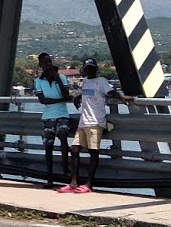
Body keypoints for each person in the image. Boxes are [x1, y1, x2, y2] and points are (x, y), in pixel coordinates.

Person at [60, 58, 135, 193]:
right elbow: (85, 95)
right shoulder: (85, 82)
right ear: (84, 69)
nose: (90, 70)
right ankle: (73, 182)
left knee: (93, 152)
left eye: (92, 67)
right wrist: (77, 97)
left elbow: (110, 92)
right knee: (75, 149)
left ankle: (89, 184)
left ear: (96, 69)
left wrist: (122, 98)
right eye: (87, 68)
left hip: (95, 122)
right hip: (83, 122)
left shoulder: (101, 81)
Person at [33, 53, 73, 187]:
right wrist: (61, 100)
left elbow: (67, 94)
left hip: (62, 114)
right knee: (48, 146)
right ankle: (49, 178)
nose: (48, 65)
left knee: (63, 135)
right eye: (45, 63)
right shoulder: (38, 81)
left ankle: (65, 168)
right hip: (48, 116)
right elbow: (43, 100)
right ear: (41, 65)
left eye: (49, 62)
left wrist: (58, 79)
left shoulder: (61, 77)